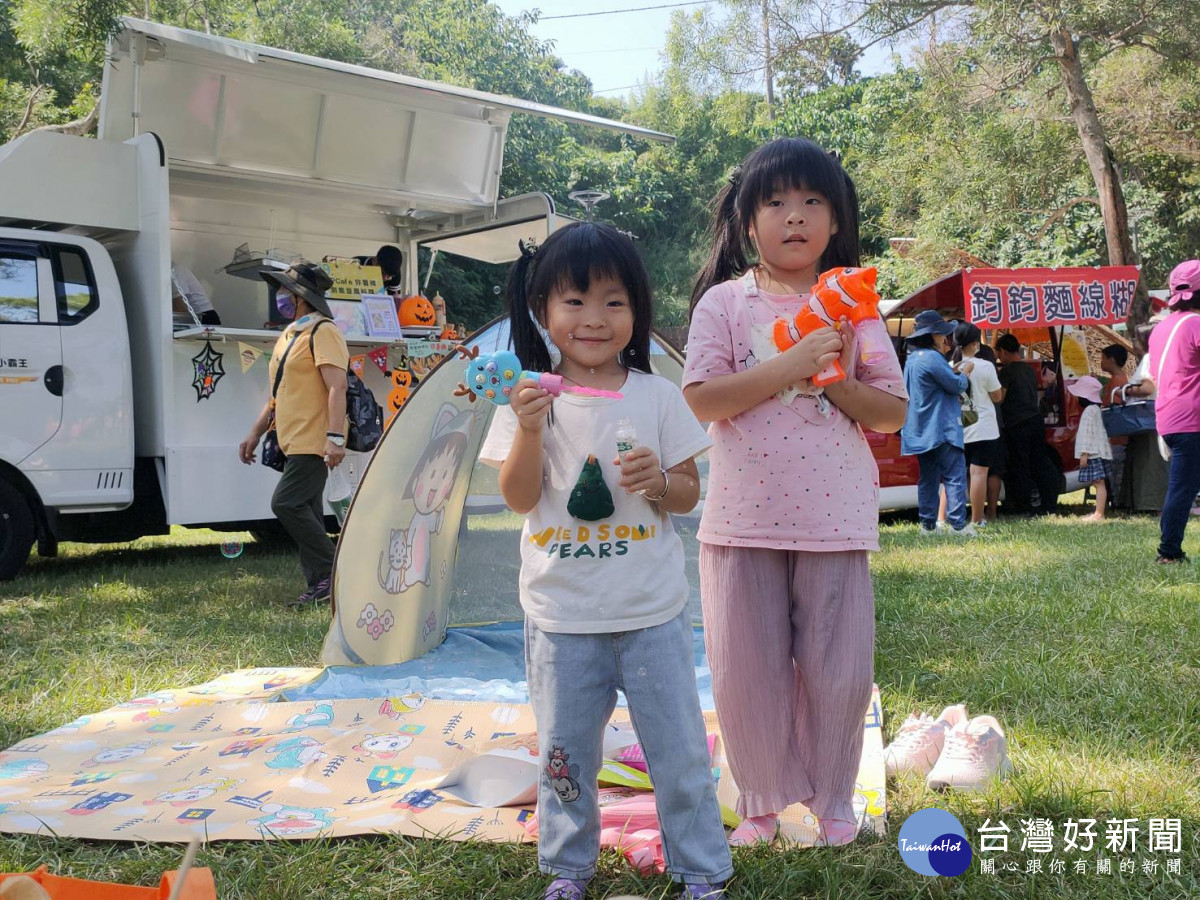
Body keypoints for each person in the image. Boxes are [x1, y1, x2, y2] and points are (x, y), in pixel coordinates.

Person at [479, 222, 733, 900]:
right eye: (575, 301)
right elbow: (519, 497)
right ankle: (568, 868)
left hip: (650, 612)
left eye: (614, 302)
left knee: (678, 753)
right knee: (566, 757)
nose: (595, 319)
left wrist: (659, 480)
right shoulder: (528, 397)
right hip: (560, 616)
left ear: (637, 312)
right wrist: (529, 430)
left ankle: (702, 870)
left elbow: (686, 494)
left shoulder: (656, 396)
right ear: (542, 313)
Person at [683, 138, 907, 848]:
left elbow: (891, 412)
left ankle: (833, 798)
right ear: (748, 220)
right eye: (775, 202)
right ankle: (758, 800)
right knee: (745, 667)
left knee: (838, 668)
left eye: (813, 201)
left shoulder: (855, 306)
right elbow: (702, 399)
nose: (795, 217)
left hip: (834, 517)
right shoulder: (724, 303)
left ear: (836, 220)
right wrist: (787, 361)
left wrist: (832, 377)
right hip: (742, 517)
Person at [239, 263, 349, 605]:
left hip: (314, 439)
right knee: (309, 512)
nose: (280, 296)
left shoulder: (324, 331)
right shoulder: (290, 335)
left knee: (285, 503)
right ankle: (321, 586)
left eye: (285, 290)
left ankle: (338, 570)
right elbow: (278, 393)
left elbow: (337, 387)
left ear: (302, 296)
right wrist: (255, 433)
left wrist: (335, 438)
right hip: (292, 438)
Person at [900, 312, 975, 536]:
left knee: (928, 479)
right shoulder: (933, 358)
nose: (945, 339)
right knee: (954, 476)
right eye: (942, 335)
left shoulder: (913, 359)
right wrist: (965, 373)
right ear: (933, 335)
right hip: (941, 427)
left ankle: (928, 526)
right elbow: (956, 386)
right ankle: (958, 526)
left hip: (920, 429)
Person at [1146, 259, 1200, 563]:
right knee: (1183, 488)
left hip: (1168, 417)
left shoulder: (1161, 329)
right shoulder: (1194, 324)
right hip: (1193, 418)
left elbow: (1155, 375)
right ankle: (1168, 551)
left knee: (1182, 485)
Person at [995, 334, 1059, 515]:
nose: (999, 358)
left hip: (1017, 424)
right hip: (1035, 420)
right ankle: (1049, 503)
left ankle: (1023, 507)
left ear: (1004, 351)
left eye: (998, 353)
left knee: (1020, 465)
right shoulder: (1029, 370)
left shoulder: (1007, 371)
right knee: (1039, 462)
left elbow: (1000, 397)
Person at [954, 322, 1004, 526]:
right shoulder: (986, 366)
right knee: (979, 473)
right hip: (984, 427)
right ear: (976, 344)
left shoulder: (952, 367)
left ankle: (952, 517)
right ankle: (977, 519)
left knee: (961, 474)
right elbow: (997, 396)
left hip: (960, 426)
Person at [1067, 376, 1112, 520]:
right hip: (1099, 451)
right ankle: (1099, 512)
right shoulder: (1096, 409)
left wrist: (1084, 453)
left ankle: (1099, 513)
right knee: (1098, 482)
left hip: (1092, 453)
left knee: (1098, 482)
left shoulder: (1088, 411)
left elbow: (1087, 433)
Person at [171, 262, 221, 327]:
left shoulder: (177, 271)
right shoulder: (177, 271)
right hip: (201, 316)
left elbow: (179, 307)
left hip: (205, 317)